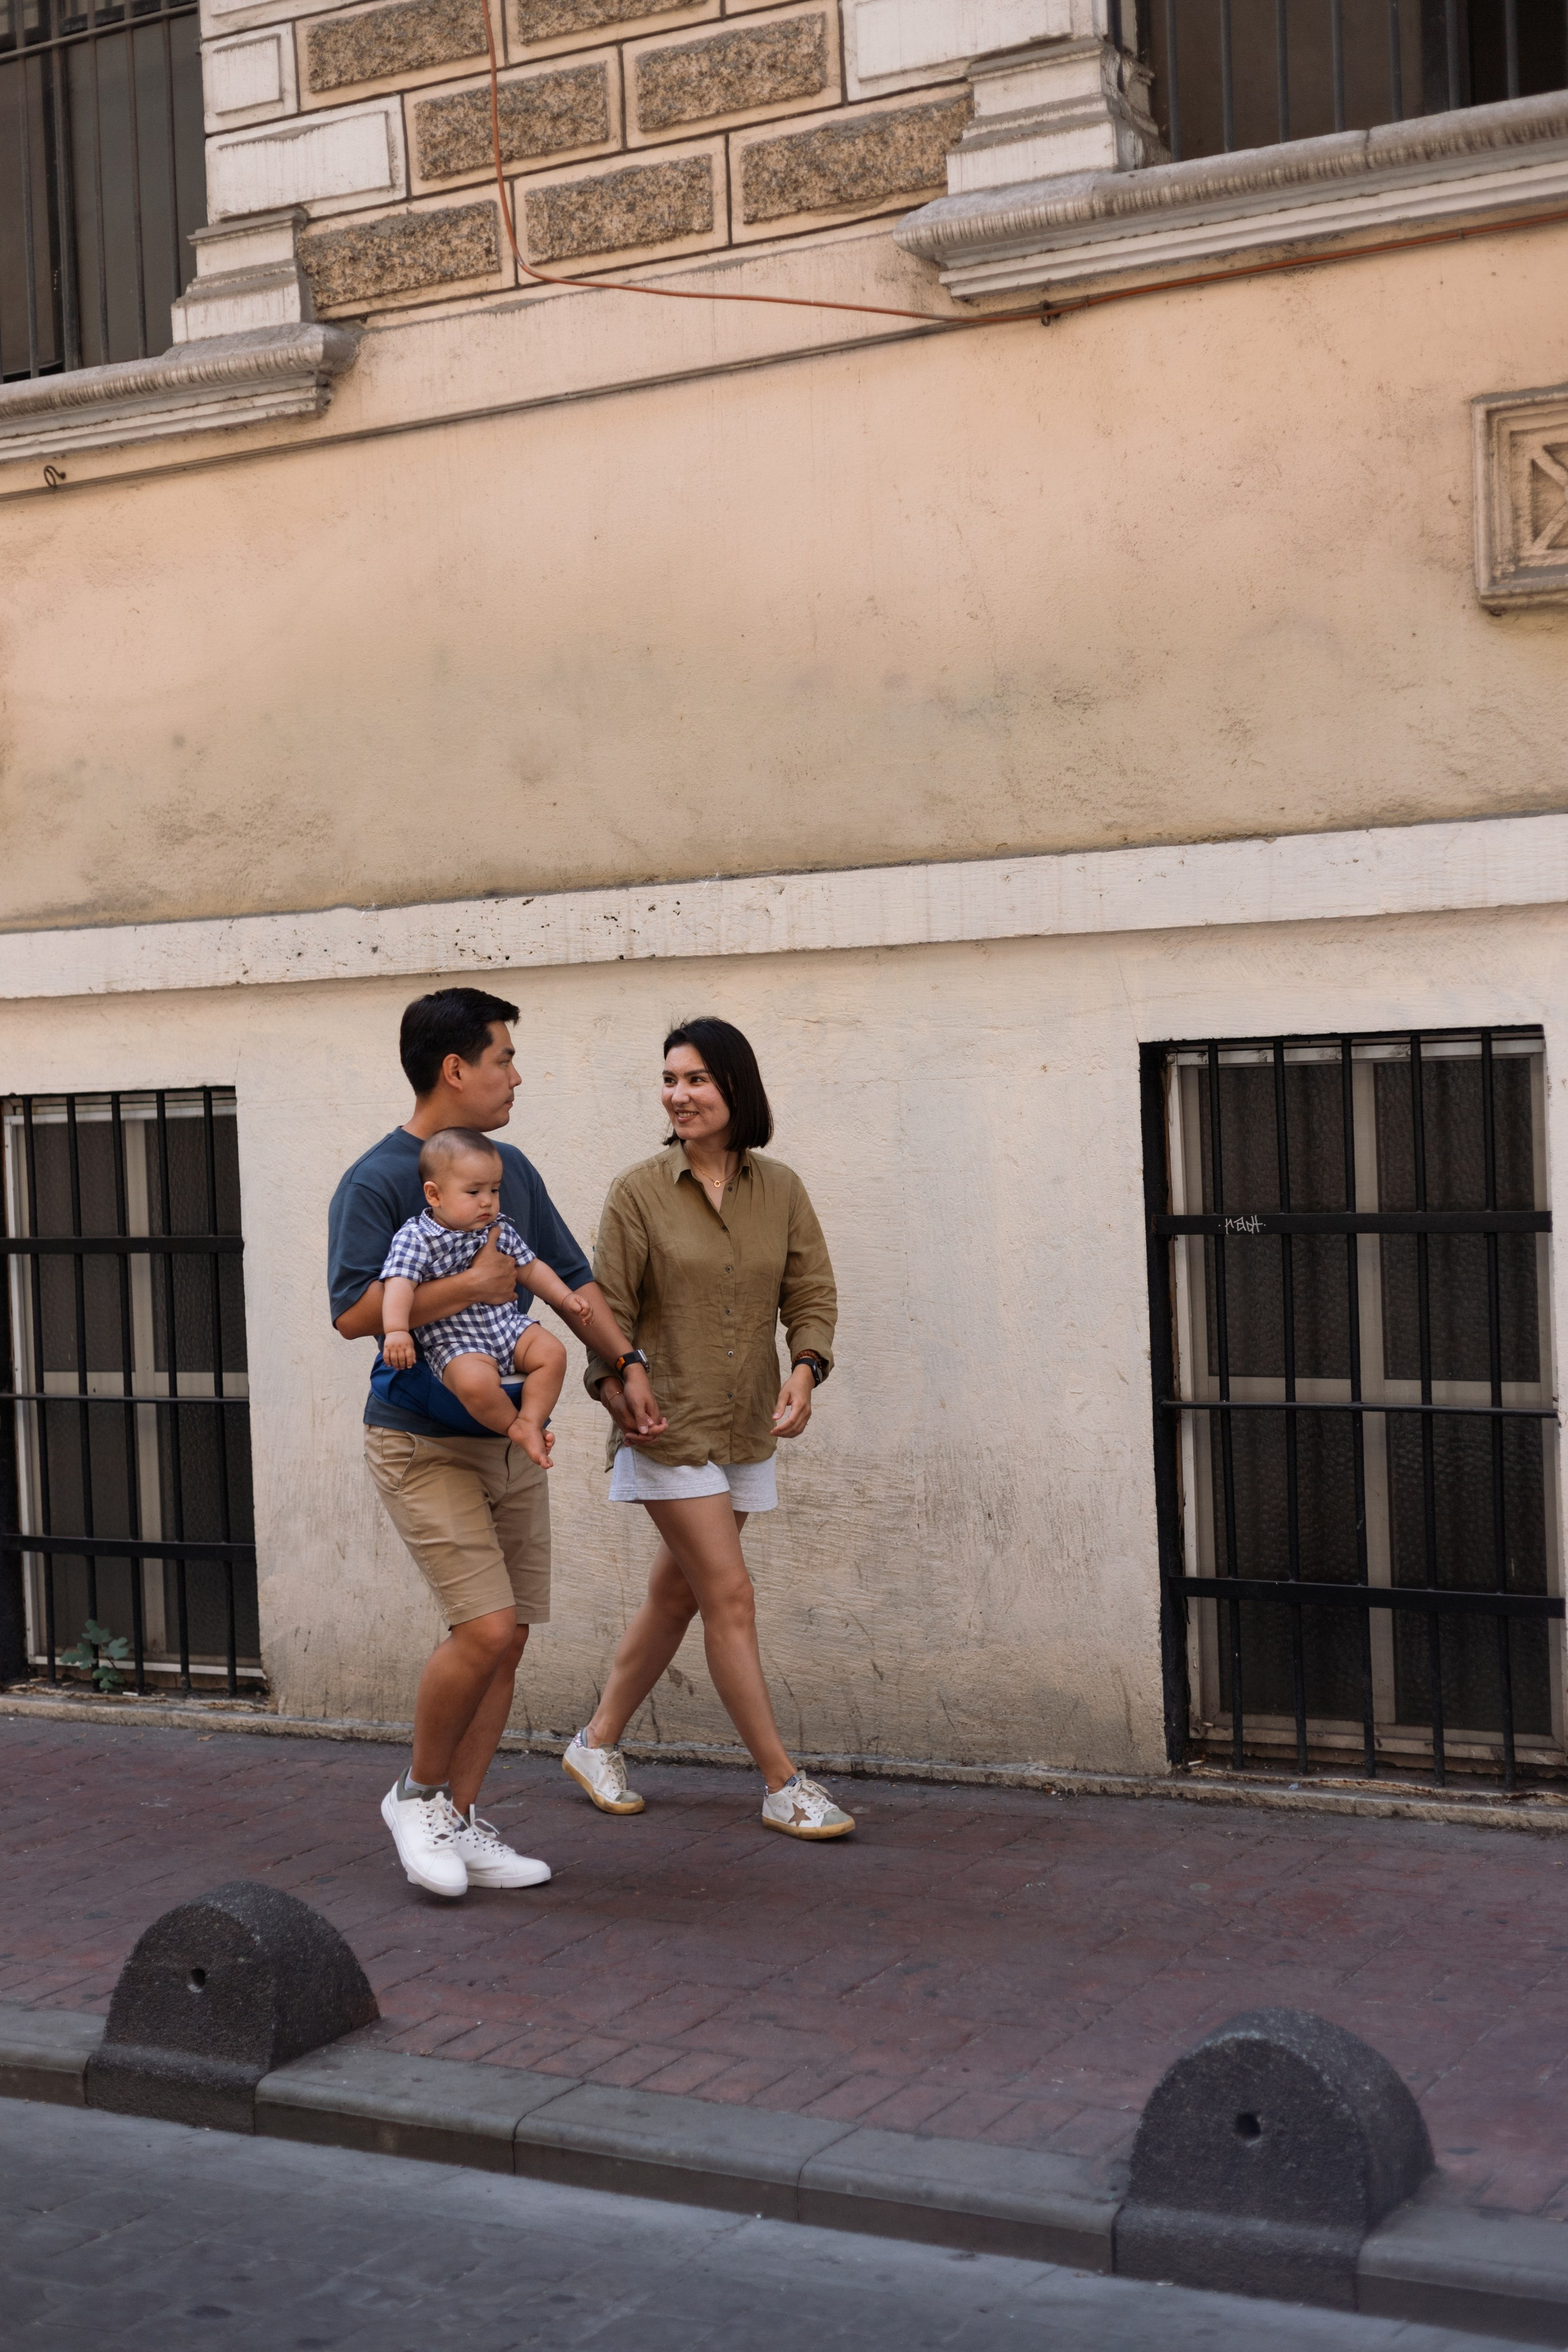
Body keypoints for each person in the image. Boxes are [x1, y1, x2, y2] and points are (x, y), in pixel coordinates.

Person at [328, 989, 664, 1901]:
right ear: (455, 1069)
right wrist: (471, 1283)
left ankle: (463, 1820)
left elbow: (567, 1280)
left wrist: (624, 1363)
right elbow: (355, 1313)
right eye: (504, 1058)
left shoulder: (505, 1168)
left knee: (508, 1638)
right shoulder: (381, 1180)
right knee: (480, 1628)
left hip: (513, 1438)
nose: (517, 1075)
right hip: (421, 1443)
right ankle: (417, 1794)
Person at [562, 1017, 855, 1841]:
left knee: (678, 1593)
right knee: (729, 1592)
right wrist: (617, 1377)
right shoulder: (638, 1191)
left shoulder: (782, 1190)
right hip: (667, 1423)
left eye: (695, 1079)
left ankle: (596, 1742)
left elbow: (813, 1294)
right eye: (670, 1080)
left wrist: (806, 1369)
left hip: (746, 1423)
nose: (679, 1095)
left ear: (735, 1088)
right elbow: (603, 1307)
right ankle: (781, 1782)